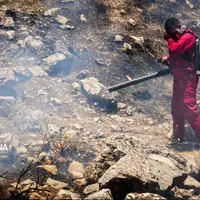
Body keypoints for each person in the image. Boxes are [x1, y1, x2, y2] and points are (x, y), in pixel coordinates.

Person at [162, 17, 200, 145]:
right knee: (176, 109)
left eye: (170, 32)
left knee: (189, 108)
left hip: (188, 78)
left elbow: (175, 50)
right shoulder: (180, 37)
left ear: (173, 28)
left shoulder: (188, 37)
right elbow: (178, 55)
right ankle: (178, 139)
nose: (170, 35)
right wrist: (167, 58)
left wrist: (169, 39)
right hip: (179, 78)